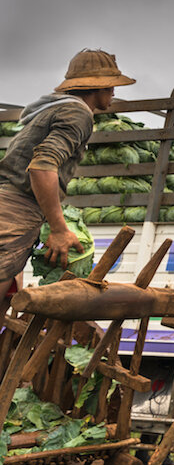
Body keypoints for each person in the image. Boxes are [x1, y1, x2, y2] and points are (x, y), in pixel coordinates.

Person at [0, 49, 134, 312]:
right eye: (111, 86)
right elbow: (42, 166)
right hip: (17, 208)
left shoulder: (50, 109)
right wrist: (59, 228)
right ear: (97, 87)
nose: (114, 93)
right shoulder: (78, 114)